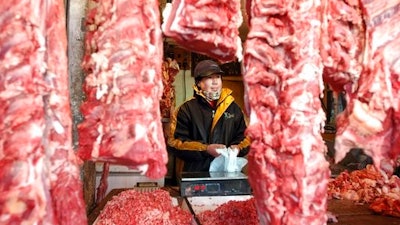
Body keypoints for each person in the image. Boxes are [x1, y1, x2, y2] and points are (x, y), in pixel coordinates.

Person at [167, 59, 251, 174]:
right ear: (199, 83)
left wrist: (238, 148)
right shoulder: (186, 110)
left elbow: (246, 138)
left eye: (217, 77)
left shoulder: (234, 108)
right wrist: (205, 149)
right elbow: (174, 143)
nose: (215, 82)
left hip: (228, 174)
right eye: (209, 78)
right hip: (196, 174)